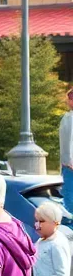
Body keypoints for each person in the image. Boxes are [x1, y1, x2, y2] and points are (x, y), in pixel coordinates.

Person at [59, 86, 73, 217]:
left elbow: (68, 142)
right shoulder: (67, 118)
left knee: (69, 200)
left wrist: (69, 162)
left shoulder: (69, 118)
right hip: (68, 165)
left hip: (69, 166)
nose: (67, 102)